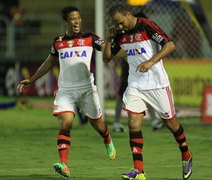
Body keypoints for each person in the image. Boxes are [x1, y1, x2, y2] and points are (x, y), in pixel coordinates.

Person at [17, 6, 116, 178]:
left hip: (86, 89)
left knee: (97, 124)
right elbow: (49, 63)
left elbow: (109, 48)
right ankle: (64, 164)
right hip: (66, 90)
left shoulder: (90, 38)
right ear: (66, 22)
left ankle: (107, 138)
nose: (77, 21)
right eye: (73, 19)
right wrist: (32, 79)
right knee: (66, 123)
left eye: (78, 18)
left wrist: (125, 51)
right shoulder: (58, 42)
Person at [103, 5, 192, 180]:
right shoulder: (120, 34)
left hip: (157, 84)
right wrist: (108, 39)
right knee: (133, 123)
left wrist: (151, 61)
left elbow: (170, 45)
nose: (120, 26)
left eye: (121, 22)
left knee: (171, 123)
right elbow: (106, 58)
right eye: (116, 24)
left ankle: (186, 155)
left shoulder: (146, 25)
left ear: (128, 14)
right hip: (136, 85)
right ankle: (139, 171)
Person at [113, 57, 164, 132]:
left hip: (141, 64)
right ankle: (116, 123)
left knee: (147, 92)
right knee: (122, 95)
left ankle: (154, 121)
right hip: (130, 65)